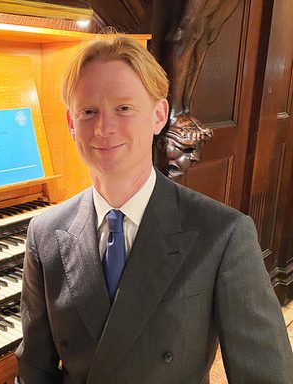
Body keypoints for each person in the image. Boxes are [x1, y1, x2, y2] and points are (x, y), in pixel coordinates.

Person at [15, 36, 293, 383]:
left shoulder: (223, 233)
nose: (104, 128)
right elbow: (34, 367)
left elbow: (265, 376)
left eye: (124, 108)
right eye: (88, 112)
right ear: (71, 125)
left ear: (159, 115)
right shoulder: (44, 233)